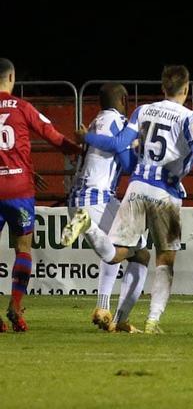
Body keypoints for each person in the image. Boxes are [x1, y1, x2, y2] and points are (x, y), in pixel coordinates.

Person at [66, 65, 193, 334]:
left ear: (162, 87)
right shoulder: (190, 117)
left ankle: (89, 229)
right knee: (164, 259)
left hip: (131, 189)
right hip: (162, 191)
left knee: (122, 252)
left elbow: (118, 142)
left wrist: (87, 137)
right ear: (186, 89)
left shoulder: (139, 111)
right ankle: (151, 320)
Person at [61, 83, 151, 332]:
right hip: (97, 198)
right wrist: (136, 149)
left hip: (80, 198)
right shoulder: (119, 123)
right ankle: (121, 320)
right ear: (123, 99)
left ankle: (104, 309)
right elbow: (128, 164)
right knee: (138, 253)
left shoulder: (95, 122)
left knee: (125, 249)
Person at [0, 58, 81, 333]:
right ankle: (15, 306)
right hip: (19, 189)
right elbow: (53, 136)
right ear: (11, 78)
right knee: (23, 248)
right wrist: (80, 150)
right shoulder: (23, 107)